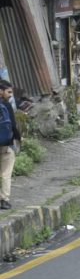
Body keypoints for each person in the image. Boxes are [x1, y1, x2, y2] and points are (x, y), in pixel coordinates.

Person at [0, 80, 21, 210]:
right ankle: (4, 200)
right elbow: (12, 125)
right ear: (1, 91)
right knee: (6, 173)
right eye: (8, 92)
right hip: (6, 145)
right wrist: (18, 139)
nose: (10, 95)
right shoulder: (6, 105)